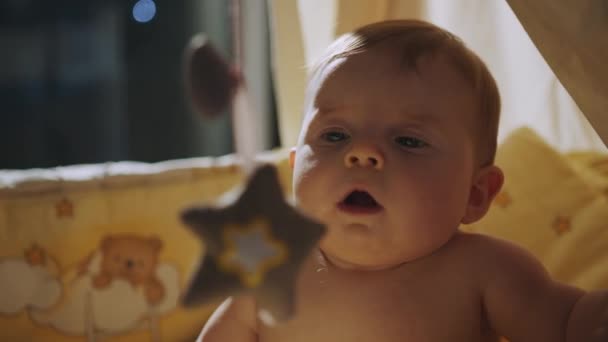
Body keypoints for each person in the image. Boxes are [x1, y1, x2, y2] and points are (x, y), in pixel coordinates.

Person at [197, 19, 608, 341]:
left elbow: (570, 323)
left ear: (476, 193)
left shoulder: (484, 271)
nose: (362, 153)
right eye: (334, 135)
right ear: (293, 168)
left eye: (409, 141)